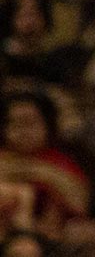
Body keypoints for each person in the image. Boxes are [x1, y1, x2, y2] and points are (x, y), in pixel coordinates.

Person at [0, 90, 90, 238]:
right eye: (16, 123)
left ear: (47, 124)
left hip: (52, 238)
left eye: (30, 123)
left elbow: (80, 203)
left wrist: (42, 173)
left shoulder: (60, 162)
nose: (24, 131)